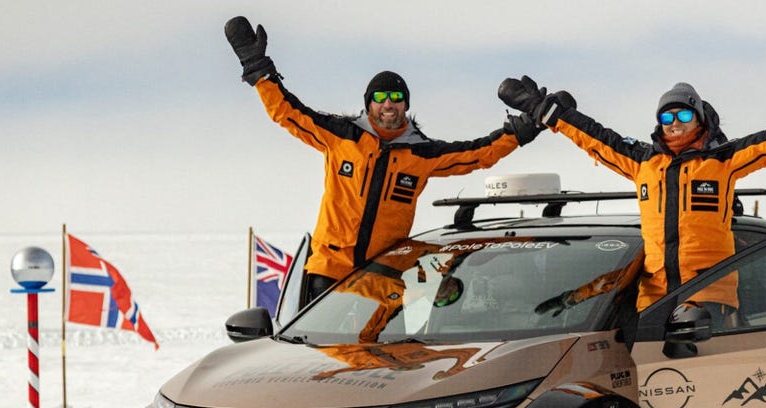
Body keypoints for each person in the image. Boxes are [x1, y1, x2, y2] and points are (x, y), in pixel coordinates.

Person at [499, 76, 766, 325]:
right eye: (667, 115)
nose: (675, 122)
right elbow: (594, 136)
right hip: (654, 299)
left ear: (698, 119)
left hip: (708, 298)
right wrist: (544, 110)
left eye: (683, 113)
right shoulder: (643, 163)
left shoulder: (721, 162)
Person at [224, 17, 541, 306]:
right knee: (324, 356)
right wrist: (259, 70)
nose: (387, 104)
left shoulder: (422, 154)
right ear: (368, 104)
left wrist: (518, 133)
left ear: (405, 105)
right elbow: (289, 112)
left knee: (392, 345)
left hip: (385, 271)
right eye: (379, 98)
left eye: (395, 98)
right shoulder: (341, 136)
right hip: (330, 272)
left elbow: (476, 154)